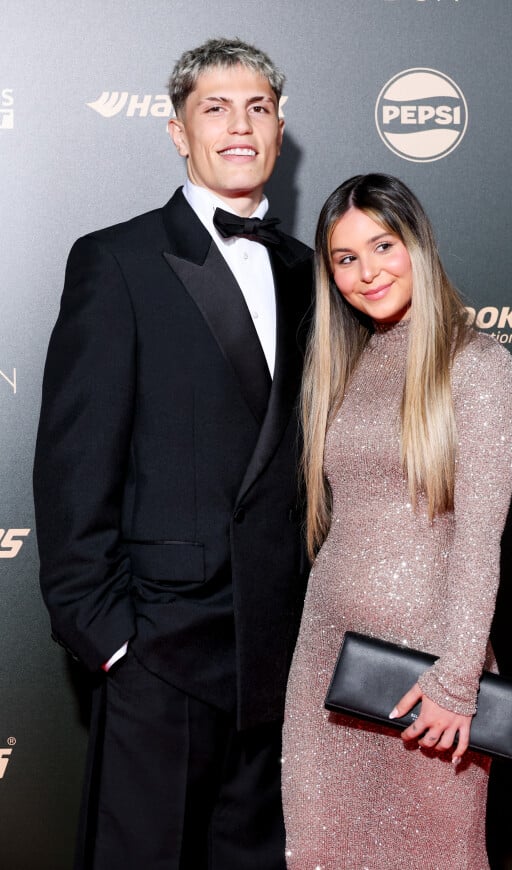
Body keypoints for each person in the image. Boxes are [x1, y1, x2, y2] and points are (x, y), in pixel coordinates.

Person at [33, 37, 311, 870]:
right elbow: (73, 465)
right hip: (161, 649)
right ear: (177, 132)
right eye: (215, 108)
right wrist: (109, 637)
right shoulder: (115, 261)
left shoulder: (308, 272)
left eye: (257, 108)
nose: (239, 126)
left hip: (282, 655)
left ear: (279, 127)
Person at [281, 173, 512, 869]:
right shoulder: (345, 366)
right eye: (345, 258)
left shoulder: (477, 368)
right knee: (323, 854)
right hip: (326, 665)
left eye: (382, 245)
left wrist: (456, 682)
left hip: (429, 678)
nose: (367, 272)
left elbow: (479, 542)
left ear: (417, 243)